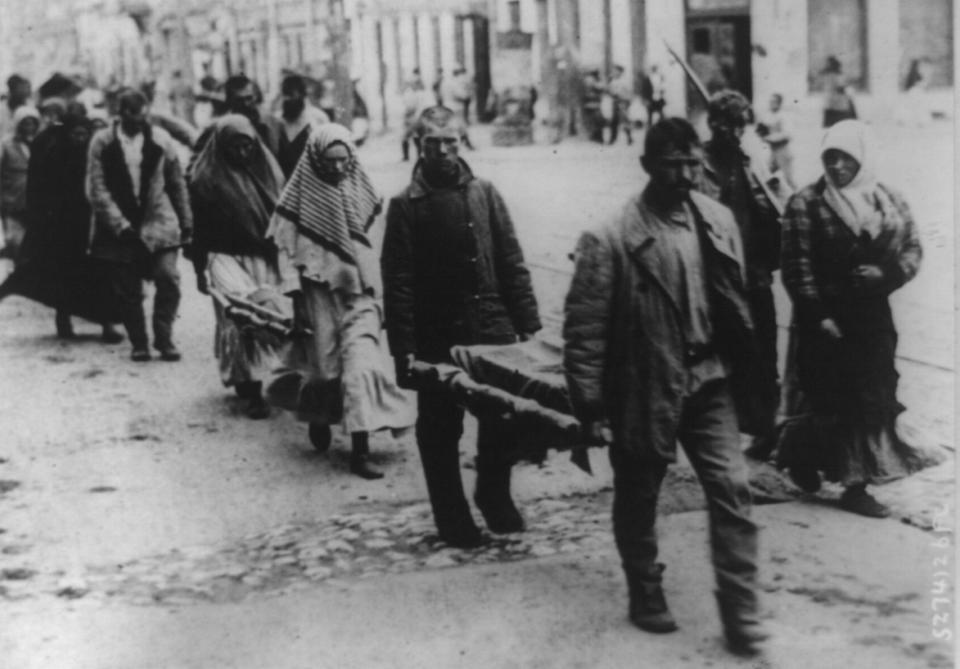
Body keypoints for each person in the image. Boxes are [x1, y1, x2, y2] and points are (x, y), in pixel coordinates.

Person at [563, 117, 767, 657]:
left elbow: (738, 300)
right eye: (673, 163)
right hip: (645, 382)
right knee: (639, 491)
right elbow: (585, 330)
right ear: (648, 166)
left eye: (693, 162)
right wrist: (590, 406)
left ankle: (742, 613)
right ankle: (645, 586)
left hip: (710, 379)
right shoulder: (611, 238)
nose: (685, 174)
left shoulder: (719, 221)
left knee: (733, 491)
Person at [382, 106, 542, 547]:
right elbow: (397, 284)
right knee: (438, 428)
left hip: (491, 325)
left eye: (451, 140)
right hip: (438, 333)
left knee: (503, 417)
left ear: (462, 141)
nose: (444, 150)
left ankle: (493, 492)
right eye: (433, 142)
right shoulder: (404, 206)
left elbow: (511, 261)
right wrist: (404, 350)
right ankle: (452, 516)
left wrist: (528, 325)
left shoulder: (485, 194)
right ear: (420, 145)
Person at [776, 120, 924, 517]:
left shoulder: (888, 201)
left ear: (863, 159)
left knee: (869, 396)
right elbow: (797, 267)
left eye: (846, 158)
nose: (838, 166)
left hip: (872, 319)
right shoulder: (807, 203)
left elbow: (912, 249)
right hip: (825, 319)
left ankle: (854, 483)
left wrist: (886, 275)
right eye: (831, 157)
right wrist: (818, 315)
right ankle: (809, 461)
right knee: (829, 399)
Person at [268, 123, 414, 479]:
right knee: (326, 372)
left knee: (361, 367)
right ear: (316, 159)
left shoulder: (362, 190)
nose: (337, 168)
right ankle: (319, 415)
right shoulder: (298, 197)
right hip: (319, 296)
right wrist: (294, 296)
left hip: (360, 294)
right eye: (329, 161)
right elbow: (285, 251)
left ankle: (359, 450)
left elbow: (378, 244)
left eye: (343, 160)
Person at [697, 90, 786, 459]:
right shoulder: (700, 163)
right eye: (725, 123)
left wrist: (764, 183)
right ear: (712, 123)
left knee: (763, 355)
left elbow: (778, 207)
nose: (732, 131)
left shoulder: (755, 160)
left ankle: (766, 430)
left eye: (739, 124)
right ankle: (722, 433)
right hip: (716, 280)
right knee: (724, 357)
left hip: (756, 275)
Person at [188, 115, 287, 419]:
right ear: (220, 146)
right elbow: (197, 230)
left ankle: (257, 377)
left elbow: (284, 220)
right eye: (235, 147)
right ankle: (252, 388)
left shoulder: (269, 174)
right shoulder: (205, 180)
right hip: (224, 256)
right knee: (241, 315)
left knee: (267, 312)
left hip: (262, 255)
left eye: (247, 146)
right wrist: (199, 270)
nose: (242, 153)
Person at [87, 89, 193, 362]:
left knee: (168, 277)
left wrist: (186, 220)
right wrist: (118, 223)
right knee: (128, 289)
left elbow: (176, 182)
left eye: (142, 116)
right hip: (119, 226)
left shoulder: (161, 139)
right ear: (120, 114)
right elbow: (96, 189)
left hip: (158, 220)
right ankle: (140, 343)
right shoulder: (102, 142)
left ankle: (164, 336)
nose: (138, 122)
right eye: (132, 116)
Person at [0, 112, 123, 341]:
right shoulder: (55, 156)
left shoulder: (94, 156)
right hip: (64, 228)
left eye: (84, 134)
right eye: (76, 134)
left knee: (102, 276)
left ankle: (107, 324)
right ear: (67, 134)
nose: (80, 138)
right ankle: (63, 320)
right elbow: (43, 193)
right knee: (64, 276)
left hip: (92, 226)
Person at [197, 75, 283, 159]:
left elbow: (286, 160)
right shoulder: (217, 128)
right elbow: (198, 160)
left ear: (256, 96)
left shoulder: (273, 123)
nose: (246, 104)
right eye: (239, 100)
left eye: (249, 98)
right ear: (230, 101)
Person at [0, 105, 39, 262]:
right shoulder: (6, 145)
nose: (29, 127)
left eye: (32, 123)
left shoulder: (39, 144)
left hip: (34, 204)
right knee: (17, 244)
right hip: (13, 203)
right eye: (25, 123)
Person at [277, 74, 330, 179]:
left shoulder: (318, 118)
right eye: (285, 94)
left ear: (302, 95)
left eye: (291, 94)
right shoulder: (278, 120)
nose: (287, 99)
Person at [756, 93, 796, 190]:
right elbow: (762, 130)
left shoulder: (783, 116)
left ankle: (799, 198)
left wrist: (769, 138)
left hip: (783, 152)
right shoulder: (768, 115)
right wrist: (761, 133)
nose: (771, 103)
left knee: (789, 179)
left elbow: (787, 134)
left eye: (773, 102)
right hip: (773, 152)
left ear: (779, 103)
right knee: (765, 174)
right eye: (770, 101)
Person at [400, 70, 431, 162]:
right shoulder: (421, 93)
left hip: (414, 118)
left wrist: (407, 115)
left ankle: (407, 156)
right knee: (418, 137)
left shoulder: (413, 94)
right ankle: (419, 155)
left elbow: (410, 107)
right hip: (420, 117)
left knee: (406, 136)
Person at [820, 56, 857, 128]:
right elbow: (841, 87)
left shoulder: (828, 75)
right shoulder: (836, 75)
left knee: (834, 127)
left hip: (833, 104)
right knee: (842, 126)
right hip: (838, 106)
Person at [607, 64, 633, 146]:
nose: (614, 72)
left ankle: (629, 137)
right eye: (613, 71)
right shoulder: (612, 81)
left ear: (620, 72)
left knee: (625, 120)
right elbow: (610, 91)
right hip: (615, 102)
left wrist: (626, 102)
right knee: (614, 121)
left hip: (623, 102)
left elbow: (629, 93)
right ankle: (612, 139)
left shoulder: (624, 81)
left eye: (616, 71)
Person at [0, 75, 32, 139]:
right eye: (17, 90)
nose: (21, 92)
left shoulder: (30, 108)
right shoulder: (1, 108)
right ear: (11, 91)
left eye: (23, 89)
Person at [581, 69, 606, 143]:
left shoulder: (597, 83)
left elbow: (600, 91)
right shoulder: (592, 82)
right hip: (591, 105)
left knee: (596, 121)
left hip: (594, 105)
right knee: (593, 121)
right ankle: (595, 136)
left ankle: (598, 137)